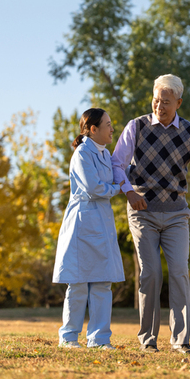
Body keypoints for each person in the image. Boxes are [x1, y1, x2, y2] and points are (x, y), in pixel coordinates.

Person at [112, 74, 190, 354]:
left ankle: (180, 340)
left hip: (176, 213)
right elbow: (117, 164)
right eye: (155, 100)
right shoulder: (136, 127)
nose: (159, 106)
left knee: (178, 272)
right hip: (143, 211)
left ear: (178, 102)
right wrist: (128, 191)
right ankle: (148, 340)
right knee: (150, 273)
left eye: (165, 102)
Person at [53, 108, 125, 349]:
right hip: (83, 223)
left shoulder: (105, 153)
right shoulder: (83, 153)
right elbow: (95, 188)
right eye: (108, 124)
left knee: (103, 283)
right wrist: (118, 188)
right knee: (79, 282)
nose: (112, 128)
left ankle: (99, 339)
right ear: (93, 129)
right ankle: (69, 338)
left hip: (101, 221)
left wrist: (117, 185)